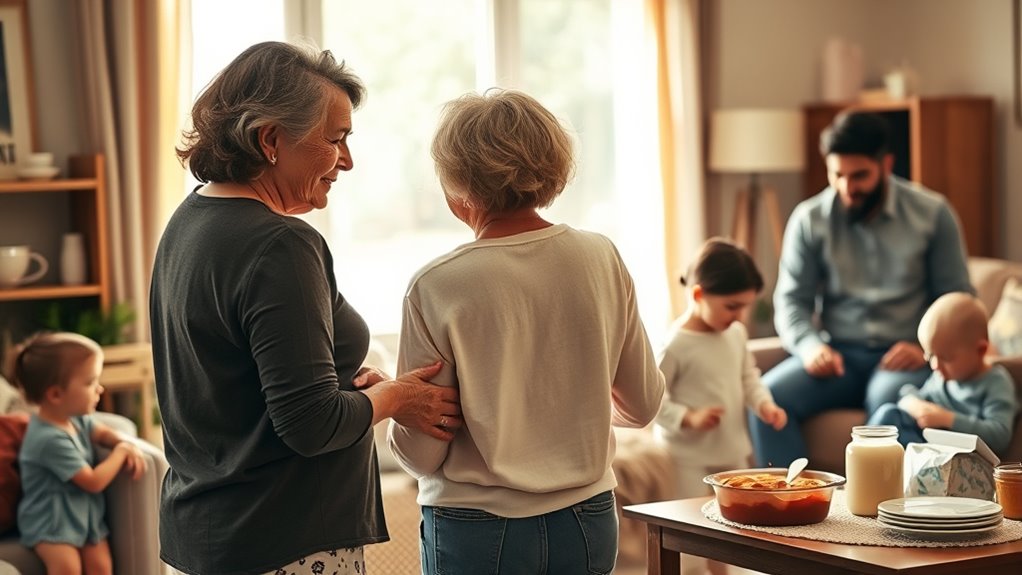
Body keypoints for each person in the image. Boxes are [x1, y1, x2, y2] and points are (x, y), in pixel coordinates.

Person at [150, 41, 462, 575]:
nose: (347, 160)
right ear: (270, 139)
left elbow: (236, 379)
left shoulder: (190, 221)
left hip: (208, 535)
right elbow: (311, 425)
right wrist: (398, 397)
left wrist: (340, 379)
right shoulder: (281, 245)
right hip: (281, 541)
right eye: (334, 139)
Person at [387, 89, 665, 574]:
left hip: (475, 525)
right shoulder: (602, 257)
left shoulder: (438, 284)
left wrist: (391, 402)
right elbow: (641, 406)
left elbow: (423, 453)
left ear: (458, 187)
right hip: (588, 517)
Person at [749, 111, 974, 468]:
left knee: (887, 406)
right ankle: (790, 506)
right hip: (838, 356)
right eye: (837, 174)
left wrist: (924, 349)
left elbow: (957, 301)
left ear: (886, 164)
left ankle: (869, 516)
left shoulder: (933, 214)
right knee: (769, 395)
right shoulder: (810, 219)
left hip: (904, 357)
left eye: (859, 176)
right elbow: (791, 301)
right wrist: (810, 347)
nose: (846, 188)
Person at [654, 238, 786, 575]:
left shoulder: (736, 335)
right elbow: (653, 398)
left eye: (744, 306)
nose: (739, 315)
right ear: (699, 295)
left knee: (732, 528)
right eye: (731, 306)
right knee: (693, 529)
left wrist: (765, 404)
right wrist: (688, 417)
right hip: (686, 457)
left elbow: (749, 377)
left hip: (730, 451)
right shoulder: (676, 344)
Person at [9, 332, 147, 575]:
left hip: (84, 516)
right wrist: (122, 451)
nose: (100, 389)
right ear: (55, 395)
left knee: (102, 567)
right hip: (51, 520)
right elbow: (92, 482)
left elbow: (102, 432)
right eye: (90, 382)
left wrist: (119, 440)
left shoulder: (76, 419)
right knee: (67, 568)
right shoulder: (47, 438)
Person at [868, 292, 1018, 452]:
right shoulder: (941, 377)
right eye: (930, 356)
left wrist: (948, 419)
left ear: (980, 350)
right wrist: (913, 404)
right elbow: (914, 396)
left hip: (962, 459)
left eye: (946, 358)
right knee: (889, 413)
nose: (935, 366)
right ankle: (864, 462)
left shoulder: (996, 382)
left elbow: (999, 435)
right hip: (930, 448)